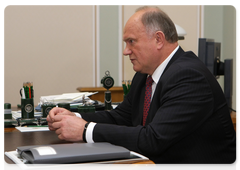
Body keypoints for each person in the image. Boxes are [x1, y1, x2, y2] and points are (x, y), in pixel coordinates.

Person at [47, 6, 240, 170]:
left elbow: (153, 139)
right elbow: (121, 117)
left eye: (131, 41)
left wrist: (85, 130)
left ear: (158, 39)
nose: (125, 51)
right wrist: (74, 118)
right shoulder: (144, 74)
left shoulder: (189, 76)